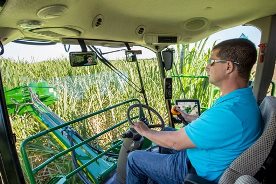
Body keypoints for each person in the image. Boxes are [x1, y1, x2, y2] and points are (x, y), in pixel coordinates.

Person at [126, 38, 262, 184]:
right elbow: (218, 128)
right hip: (204, 156)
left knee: (134, 158)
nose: (207, 67)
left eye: (212, 62)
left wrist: (145, 131)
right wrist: (192, 118)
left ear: (228, 67)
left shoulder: (229, 113)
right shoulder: (242, 100)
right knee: (165, 129)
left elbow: (175, 143)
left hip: (193, 171)